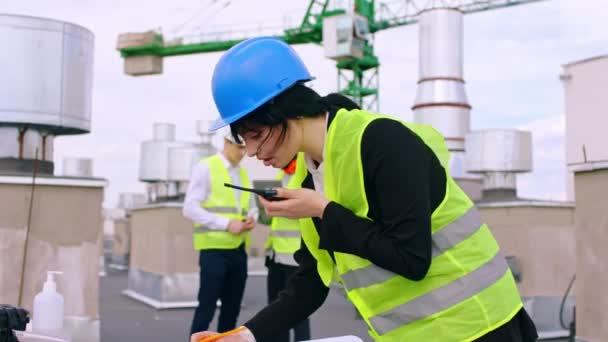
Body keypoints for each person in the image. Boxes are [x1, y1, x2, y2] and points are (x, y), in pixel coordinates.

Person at [191, 37, 538, 342]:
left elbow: (411, 259)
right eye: (244, 140)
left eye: (256, 135)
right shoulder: (308, 181)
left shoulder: (383, 142)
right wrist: (246, 335)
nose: (251, 151)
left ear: (286, 109)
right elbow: (311, 281)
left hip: (479, 327)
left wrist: (325, 211)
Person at [183, 131, 258, 336]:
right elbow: (189, 207)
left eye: (245, 147)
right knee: (205, 310)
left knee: (231, 311)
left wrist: (253, 217)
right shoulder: (206, 167)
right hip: (213, 251)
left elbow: (251, 207)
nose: (243, 152)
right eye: (238, 146)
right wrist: (226, 224)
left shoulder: (242, 174)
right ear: (225, 142)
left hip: (238, 251)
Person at [264, 156, 311, 342]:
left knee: (298, 315)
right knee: (276, 312)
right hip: (277, 255)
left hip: (295, 258)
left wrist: (275, 206)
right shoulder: (283, 173)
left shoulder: (303, 174)